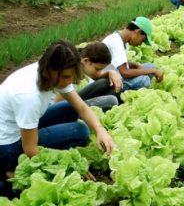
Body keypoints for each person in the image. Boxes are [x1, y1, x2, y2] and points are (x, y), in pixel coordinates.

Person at [0, 40, 115, 193]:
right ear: (50, 69)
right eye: (66, 77)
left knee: (71, 108)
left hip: (22, 124)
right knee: (80, 132)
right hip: (8, 145)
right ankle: (8, 170)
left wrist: (100, 129)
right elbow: (30, 150)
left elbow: (80, 106)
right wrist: (68, 165)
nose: (69, 82)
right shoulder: (28, 95)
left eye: (70, 77)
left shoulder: (53, 73)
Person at [102, 17, 164, 94]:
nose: (140, 44)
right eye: (142, 40)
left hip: (117, 75)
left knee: (150, 66)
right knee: (144, 80)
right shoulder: (116, 42)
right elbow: (125, 73)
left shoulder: (121, 39)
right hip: (110, 84)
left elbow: (116, 62)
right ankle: (122, 98)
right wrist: (152, 71)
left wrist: (134, 65)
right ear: (138, 32)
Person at [55, 42, 121, 111]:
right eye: (97, 69)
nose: (98, 73)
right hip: (65, 107)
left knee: (111, 84)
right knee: (111, 100)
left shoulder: (82, 66)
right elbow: (58, 102)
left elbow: (97, 77)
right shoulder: (69, 71)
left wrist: (111, 72)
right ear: (85, 61)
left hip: (74, 101)